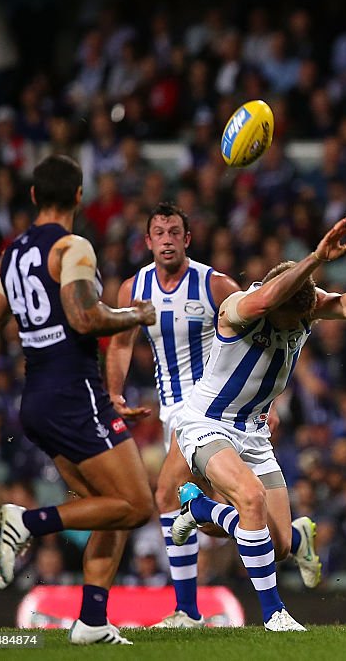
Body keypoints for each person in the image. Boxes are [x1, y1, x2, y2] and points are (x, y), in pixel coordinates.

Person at [169, 217, 346, 631]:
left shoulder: (302, 305)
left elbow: (342, 303)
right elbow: (264, 303)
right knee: (250, 500)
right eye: (292, 318)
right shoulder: (241, 309)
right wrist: (317, 256)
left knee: (276, 544)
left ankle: (201, 507)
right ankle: (274, 614)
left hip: (254, 431)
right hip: (206, 422)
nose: (299, 325)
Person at [0, 155, 157, 645]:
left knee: (104, 507)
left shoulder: (11, 255)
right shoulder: (73, 246)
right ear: (79, 197)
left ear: (32, 197)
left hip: (37, 399)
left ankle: (91, 621)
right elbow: (85, 318)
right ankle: (21, 523)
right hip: (75, 393)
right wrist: (136, 314)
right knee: (135, 505)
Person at [105, 203, 243, 627]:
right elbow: (122, 343)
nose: (166, 239)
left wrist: (262, 405)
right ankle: (288, 535)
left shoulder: (216, 285)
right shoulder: (134, 288)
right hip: (173, 416)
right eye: (159, 232)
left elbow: (255, 345)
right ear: (147, 242)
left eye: (174, 232)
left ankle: (187, 610)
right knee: (206, 517)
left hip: (213, 411)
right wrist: (113, 392)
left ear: (188, 239)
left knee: (167, 498)